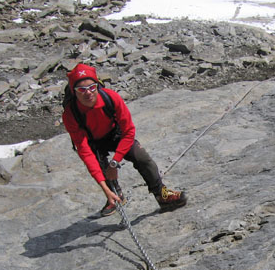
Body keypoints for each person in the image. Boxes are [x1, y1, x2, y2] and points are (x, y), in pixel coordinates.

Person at [62, 63, 186, 216]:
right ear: (74, 92)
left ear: (97, 86)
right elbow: (84, 151)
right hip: (93, 142)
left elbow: (128, 131)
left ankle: (161, 194)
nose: (88, 93)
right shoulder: (70, 114)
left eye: (92, 87)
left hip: (115, 134)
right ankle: (114, 195)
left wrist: (114, 163)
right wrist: (105, 189)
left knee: (141, 158)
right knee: (100, 166)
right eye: (81, 90)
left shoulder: (110, 97)